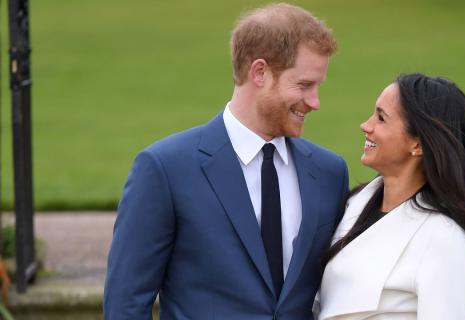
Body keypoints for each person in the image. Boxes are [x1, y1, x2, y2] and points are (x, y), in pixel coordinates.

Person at [104, 3, 349, 319]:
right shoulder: (165, 169)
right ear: (259, 73)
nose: (315, 102)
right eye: (304, 85)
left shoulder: (329, 173)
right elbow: (125, 304)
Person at [317, 73, 465, 320]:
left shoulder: (445, 239)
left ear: (418, 145)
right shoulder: (353, 203)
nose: (366, 126)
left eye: (381, 118)